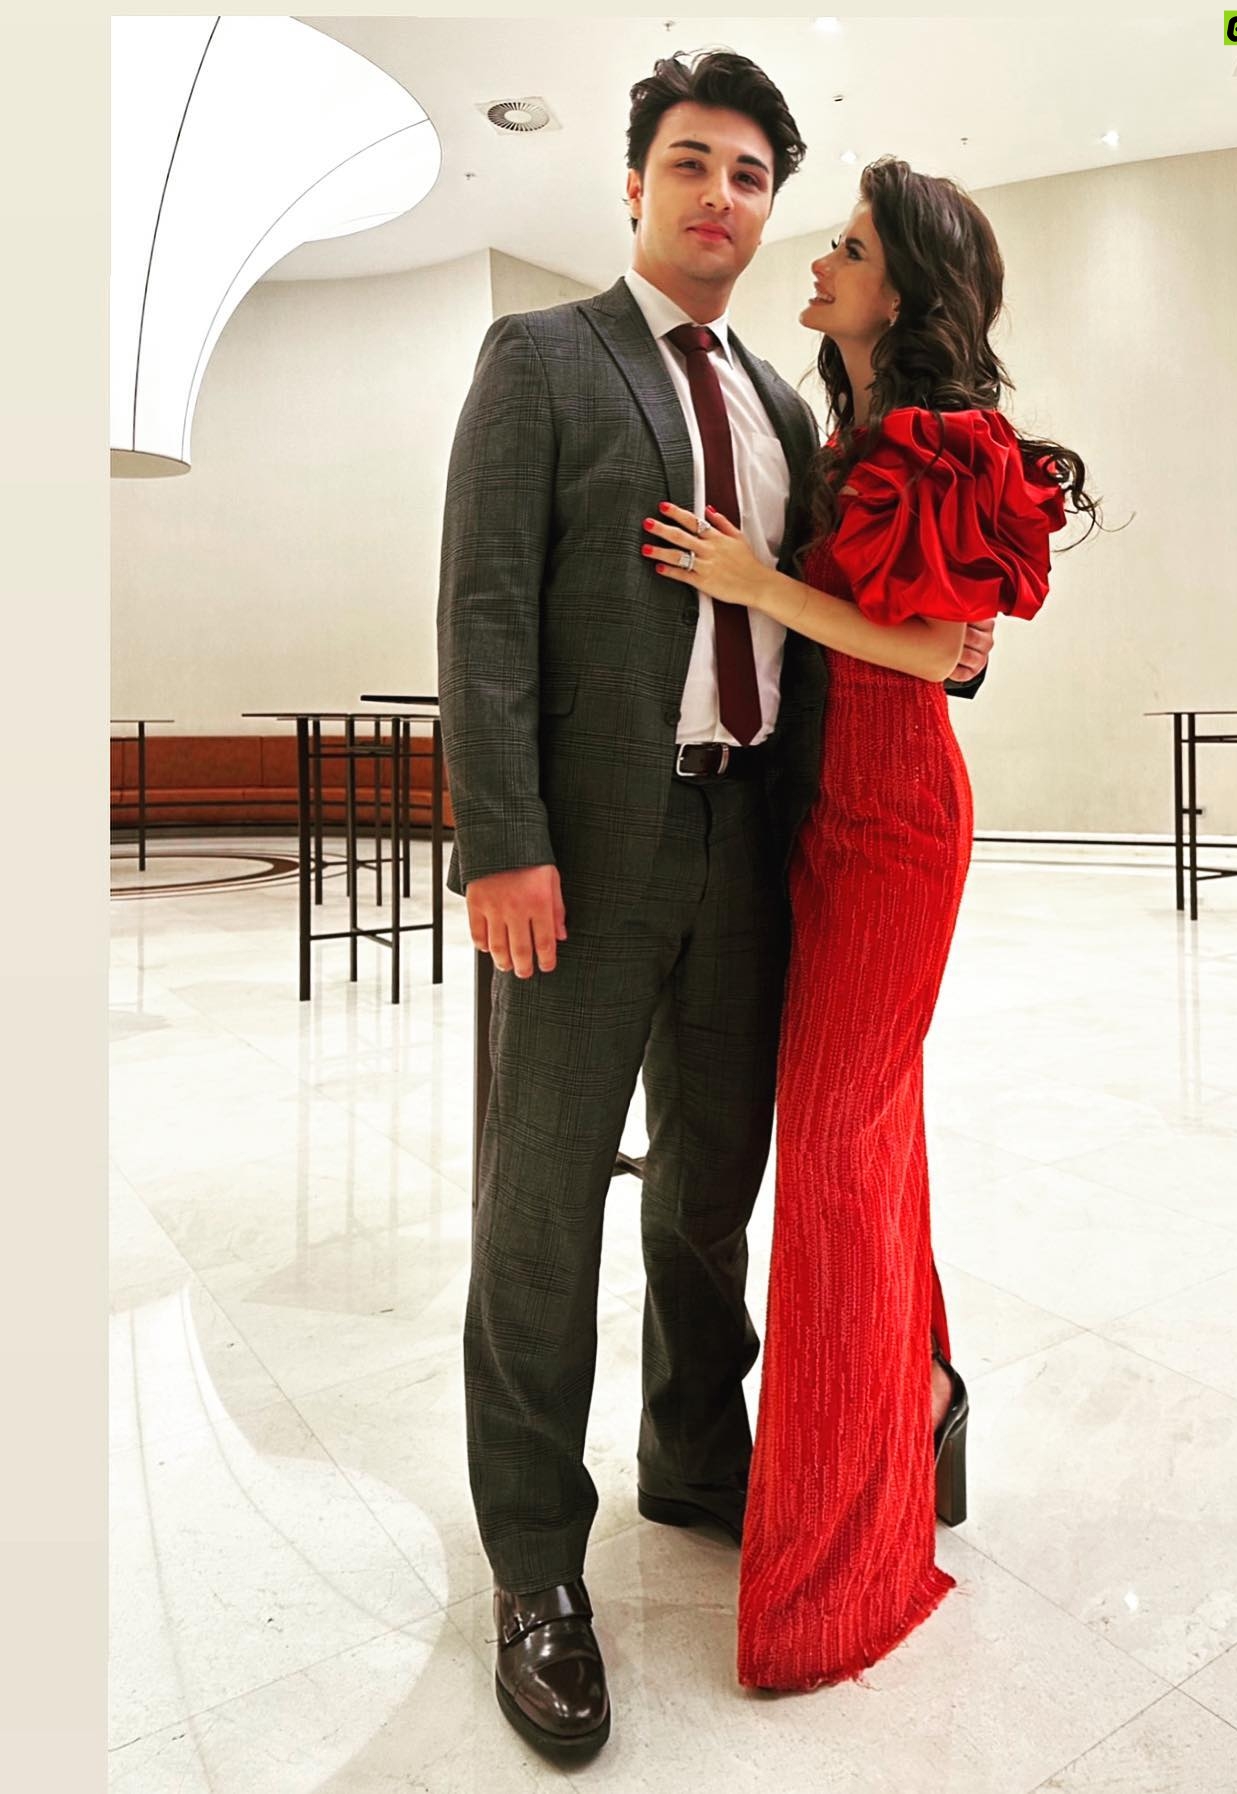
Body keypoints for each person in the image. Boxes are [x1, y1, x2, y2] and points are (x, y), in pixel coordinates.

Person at [436, 53, 994, 1753]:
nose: (722, 198)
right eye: (691, 163)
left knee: (710, 1190)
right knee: (543, 1205)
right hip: (584, 860)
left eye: (752, 175)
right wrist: (501, 839)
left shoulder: (786, 405)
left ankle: (695, 1456)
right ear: (635, 186)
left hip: (753, 846)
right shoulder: (542, 360)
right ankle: (539, 1561)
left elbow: (858, 625)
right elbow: (485, 608)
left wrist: (949, 662)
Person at [640, 155, 1099, 1690]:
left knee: (835, 1157)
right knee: (866, 1139)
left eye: (846, 247)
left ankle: (842, 1552)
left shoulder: (929, 437)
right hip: (825, 821)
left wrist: (756, 583)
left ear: (902, 288)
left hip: (894, 828)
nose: (818, 261)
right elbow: (936, 641)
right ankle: (924, 1399)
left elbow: (935, 647)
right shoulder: (846, 432)